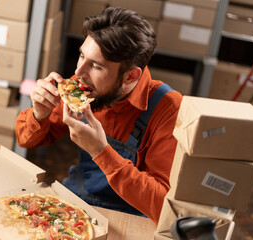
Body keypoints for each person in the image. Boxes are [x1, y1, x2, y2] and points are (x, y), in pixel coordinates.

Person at [15, 7, 182, 224]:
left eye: (95, 65)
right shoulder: (83, 86)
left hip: (133, 217)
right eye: (82, 55)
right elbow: (25, 140)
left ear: (131, 76)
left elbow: (163, 206)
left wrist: (100, 151)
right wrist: (39, 112)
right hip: (79, 201)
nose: (79, 72)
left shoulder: (169, 109)